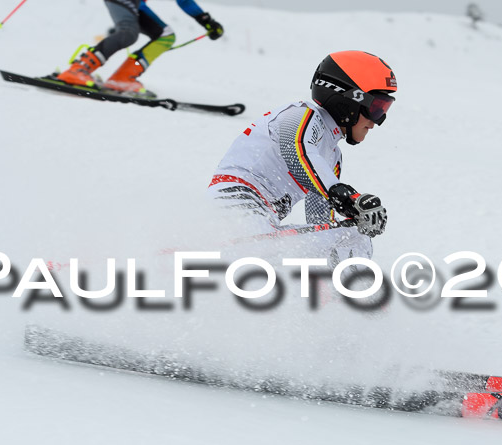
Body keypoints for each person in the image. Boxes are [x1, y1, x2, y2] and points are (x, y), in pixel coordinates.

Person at [207, 50, 396, 265]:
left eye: (384, 109)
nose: (377, 122)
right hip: (235, 206)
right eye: (376, 108)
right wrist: (348, 199)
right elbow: (295, 151)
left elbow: (321, 221)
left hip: (261, 222)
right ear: (349, 100)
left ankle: (344, 294)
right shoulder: (301, 114)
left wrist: (355, 216)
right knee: (350, 237)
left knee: (352, 236)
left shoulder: (332, 155)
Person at [56, 0, 223, 94]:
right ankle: (77, 70)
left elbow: (184, 1)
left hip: (136, 3)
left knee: (166, 36)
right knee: (129, 32)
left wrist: (207, 21)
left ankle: (122, 78)